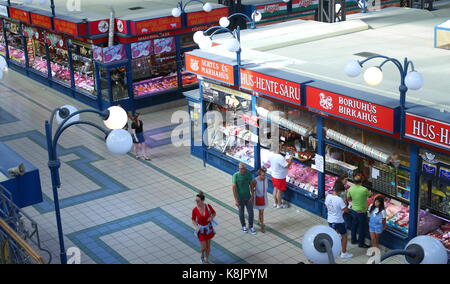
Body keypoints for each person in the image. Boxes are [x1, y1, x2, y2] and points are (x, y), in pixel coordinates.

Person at [325, 185, 353, 259]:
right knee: (344, 236)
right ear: (339, 191)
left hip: (330, 220)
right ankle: (344, 253)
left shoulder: (328, 196)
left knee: (333, 236)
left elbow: (326, 206)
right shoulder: (339, 199)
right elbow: (345, 210)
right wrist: (348, 208)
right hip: (338, 221)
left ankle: (332, 251)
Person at [347, 174, 372, 248]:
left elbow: (348, 198)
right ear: (361, 182)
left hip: (354, 210)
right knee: (362, 227)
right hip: (362, 211)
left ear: (354, 182)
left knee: (354, 225)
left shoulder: (351, 188)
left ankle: (353, 240)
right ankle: (361, 243)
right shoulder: (364, 189)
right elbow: (370, 195)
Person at [192, 191, 216, 264]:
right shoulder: (195, 210)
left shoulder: (208, 206)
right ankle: (202, 256)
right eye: (196, 200)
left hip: (208, 229)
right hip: (201, 230)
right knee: (204, 247)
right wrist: (196, 226)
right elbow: (193, 219)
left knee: (208, 247)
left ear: (202, 201)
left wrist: (211, 217)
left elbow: (214, 213)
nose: (196, 202)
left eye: (198, 201)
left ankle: (206, 259)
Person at [232, 163, 256, 235]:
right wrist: (236, 200)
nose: (241, 170)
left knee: (251, 212)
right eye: (240, 168)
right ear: (238, 168)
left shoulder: (248, 174)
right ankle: (243, 226)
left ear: (245, 168)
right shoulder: (235, 176)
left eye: (242, 168)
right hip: (240, 198)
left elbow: (251, 184)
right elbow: (233, 188)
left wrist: (252, 195)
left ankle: (251, 226)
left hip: (248, 197)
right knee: (241, 212)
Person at [252, 168, 269, 233]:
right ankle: (262, 227)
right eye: (262, 175)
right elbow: (251, 188)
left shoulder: (266, 179)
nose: (264, 177)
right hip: (258, 198)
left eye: (264, 175)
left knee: (261, 212)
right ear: (259, 175)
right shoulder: (255, 181)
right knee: (261, 212)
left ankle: (259, 221)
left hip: (264, 198)